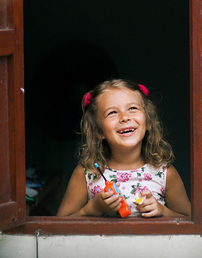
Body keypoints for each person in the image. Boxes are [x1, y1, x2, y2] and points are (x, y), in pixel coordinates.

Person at [57, 79, 191, 217]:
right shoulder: (87, 172)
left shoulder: (164, 172)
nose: (125, 117)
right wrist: (92, 209)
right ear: (99, 130)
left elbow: (191, 222)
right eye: (112, 112)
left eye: (132, 108)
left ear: (148, 122)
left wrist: (163, 211)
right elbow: (58, 226)